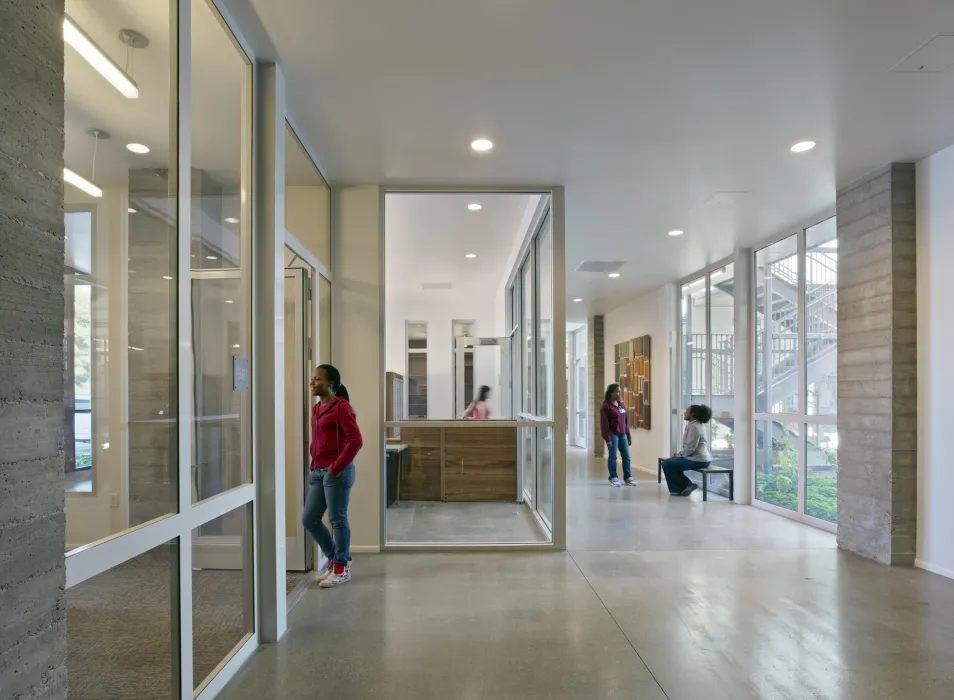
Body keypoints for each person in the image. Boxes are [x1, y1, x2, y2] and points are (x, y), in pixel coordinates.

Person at [303, 364, 363, 587]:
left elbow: (356, 440)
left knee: (337, 519)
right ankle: (333, 559)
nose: (312, 382)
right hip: (318, 471)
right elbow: (317, 440)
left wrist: (336, 467)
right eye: (313, 379)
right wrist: (314, 463)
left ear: (331, 384)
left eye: (317, 379)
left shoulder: (342, 407)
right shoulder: (317, 409)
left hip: (337, 472)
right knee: (309, 519)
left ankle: (341, 567)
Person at [661, 405, 712, 497]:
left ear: (693, 414)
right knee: (671, 463)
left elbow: (691, 448)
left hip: (698, 460)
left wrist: (679, 455)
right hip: (699, 459)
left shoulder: (694, 427)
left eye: (687, 411)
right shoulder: (695, 425)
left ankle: (679, 488)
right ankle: (686, 485)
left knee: (666, 463)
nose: (684, 413)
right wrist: (679, 455)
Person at [600, 384, 634, 487]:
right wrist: (608, 439)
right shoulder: (605, 407)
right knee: (612, 457)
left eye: (620, 391)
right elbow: (604, 425)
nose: (620, 394)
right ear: (611, 393)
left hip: (623, 434)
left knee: (626, 456)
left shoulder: (622, 405)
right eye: (618, 392)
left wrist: (628, 435)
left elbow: (625, 423)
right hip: (612, 435)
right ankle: (613, 477)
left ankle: (628, 478)